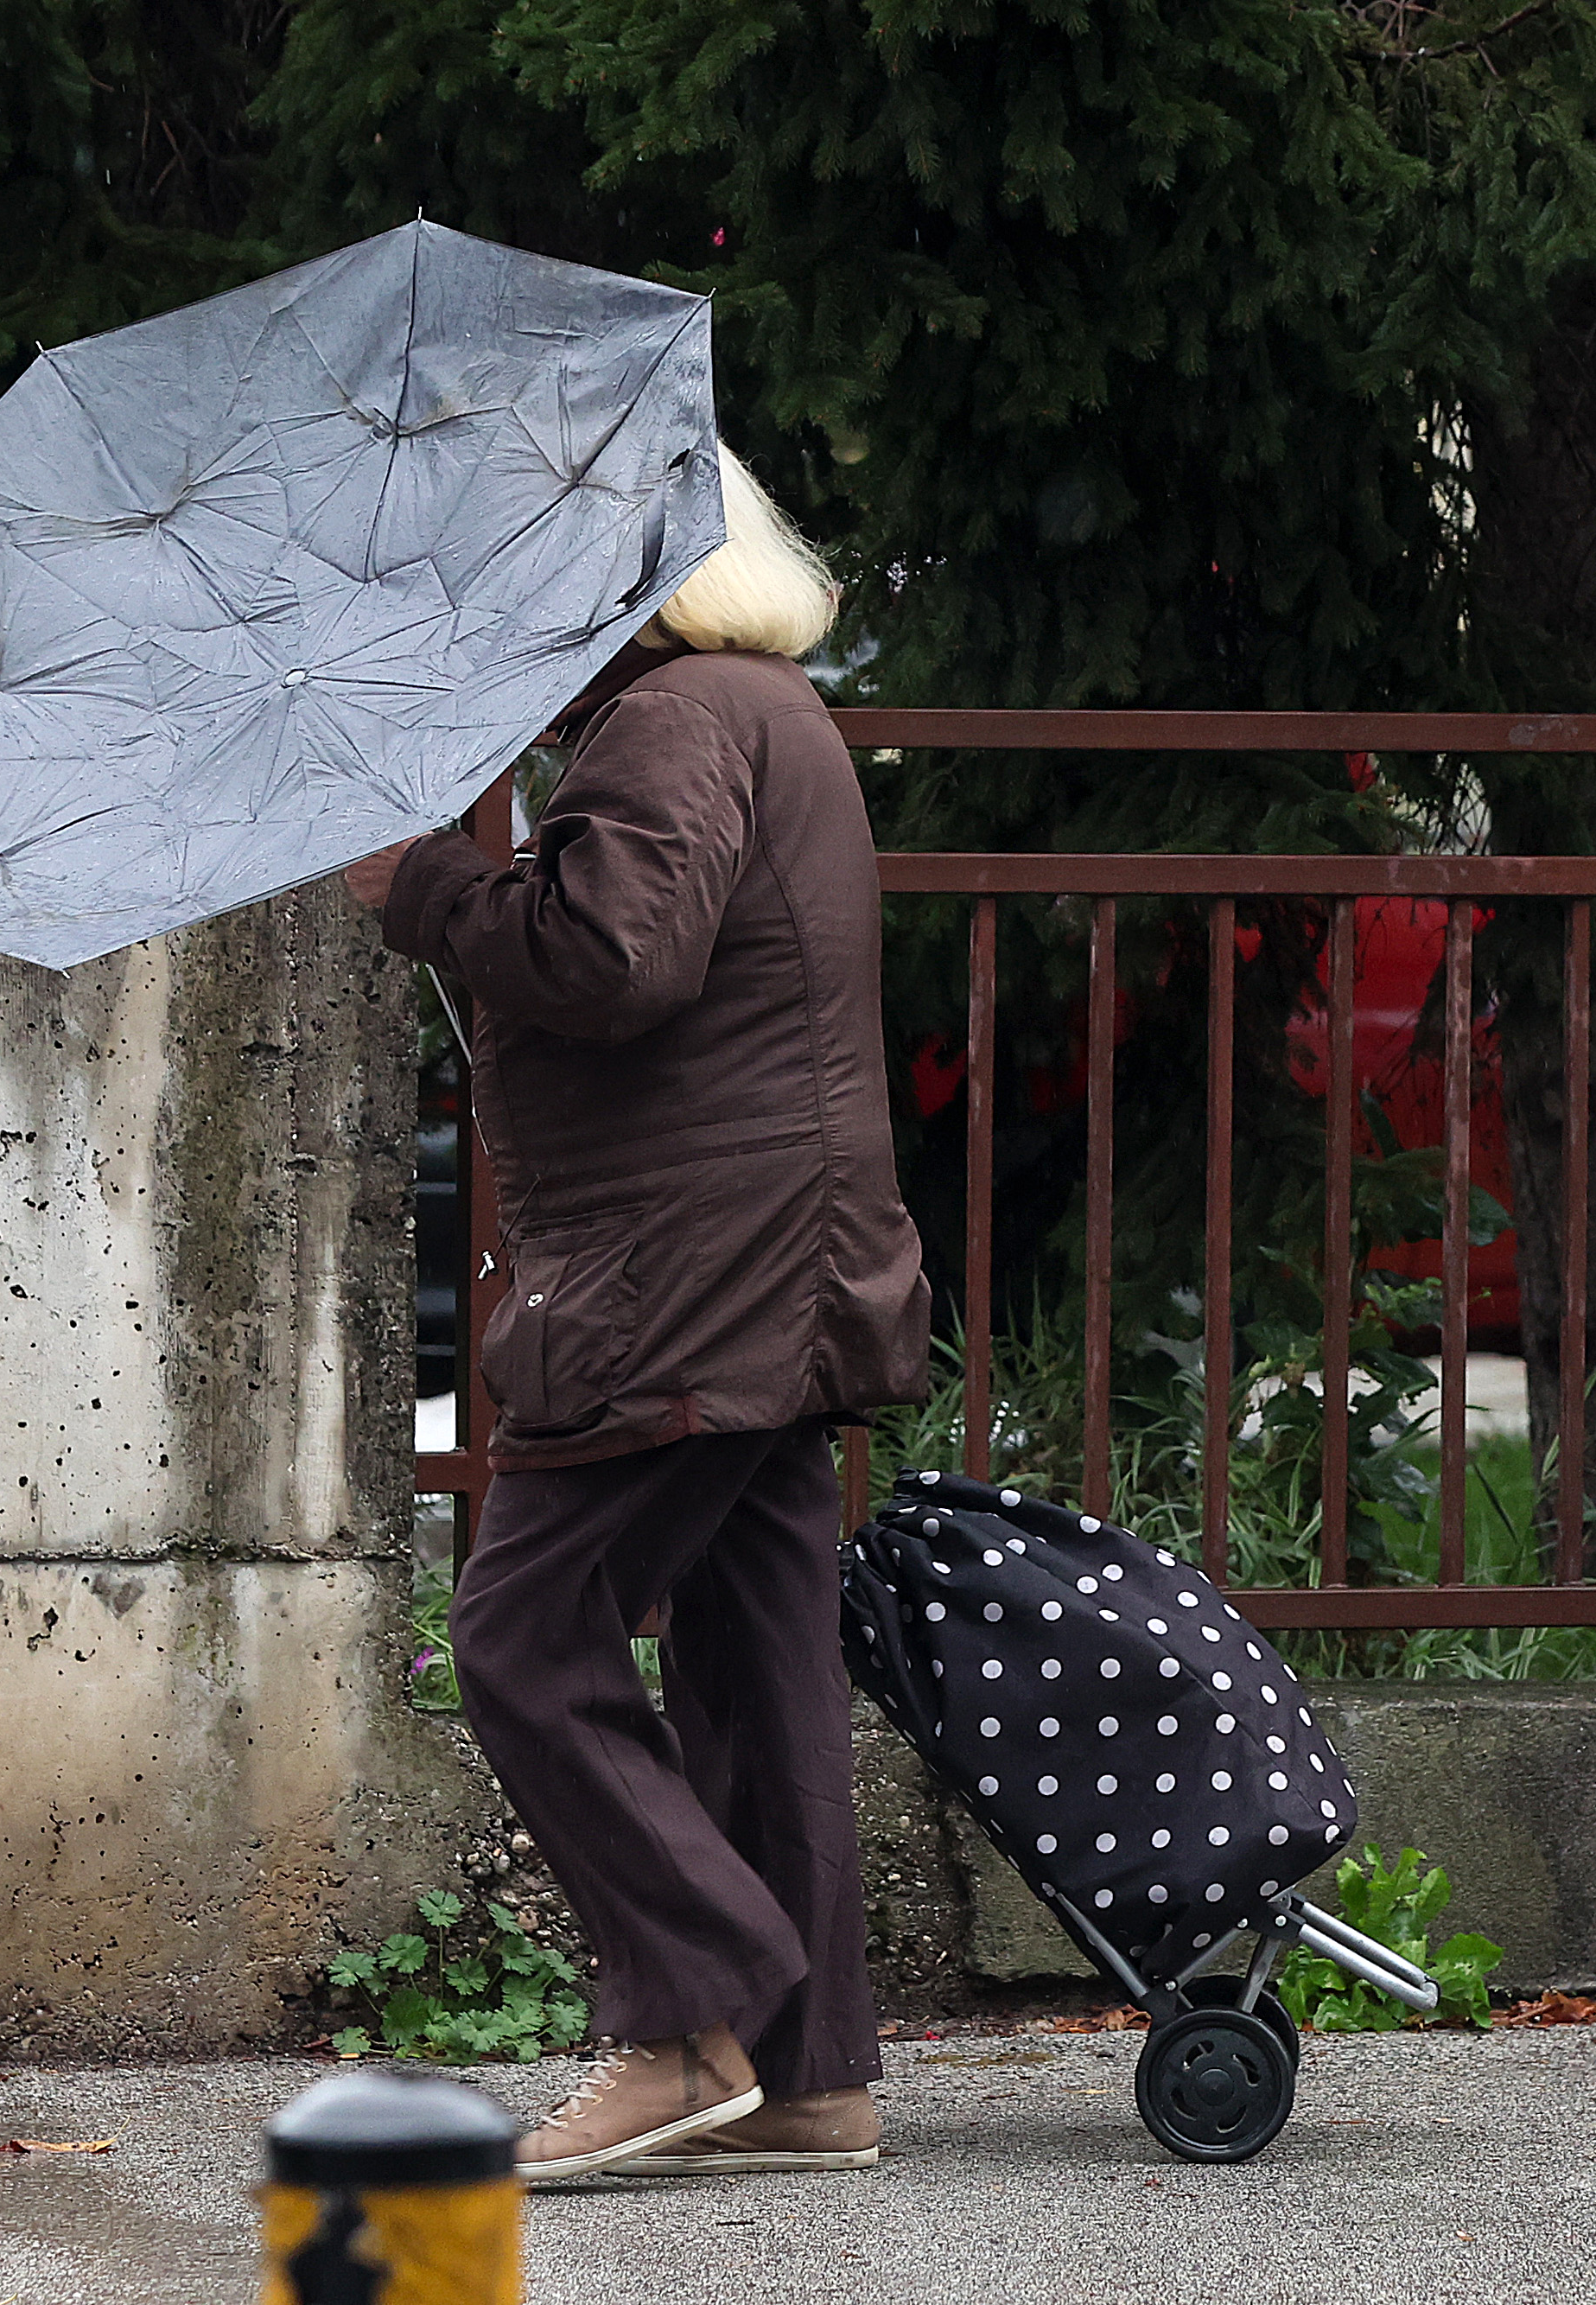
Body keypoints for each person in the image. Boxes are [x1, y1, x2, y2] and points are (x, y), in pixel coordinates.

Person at [342, 447, 932, 2183]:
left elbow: (613, 959)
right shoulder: (759, 706)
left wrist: (425, 892)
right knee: (754, 1662)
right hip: (768, 1263)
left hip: (688, 1277)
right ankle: (806, 2077)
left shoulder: (671, 717)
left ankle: (690, 2022)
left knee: (522, 1632)